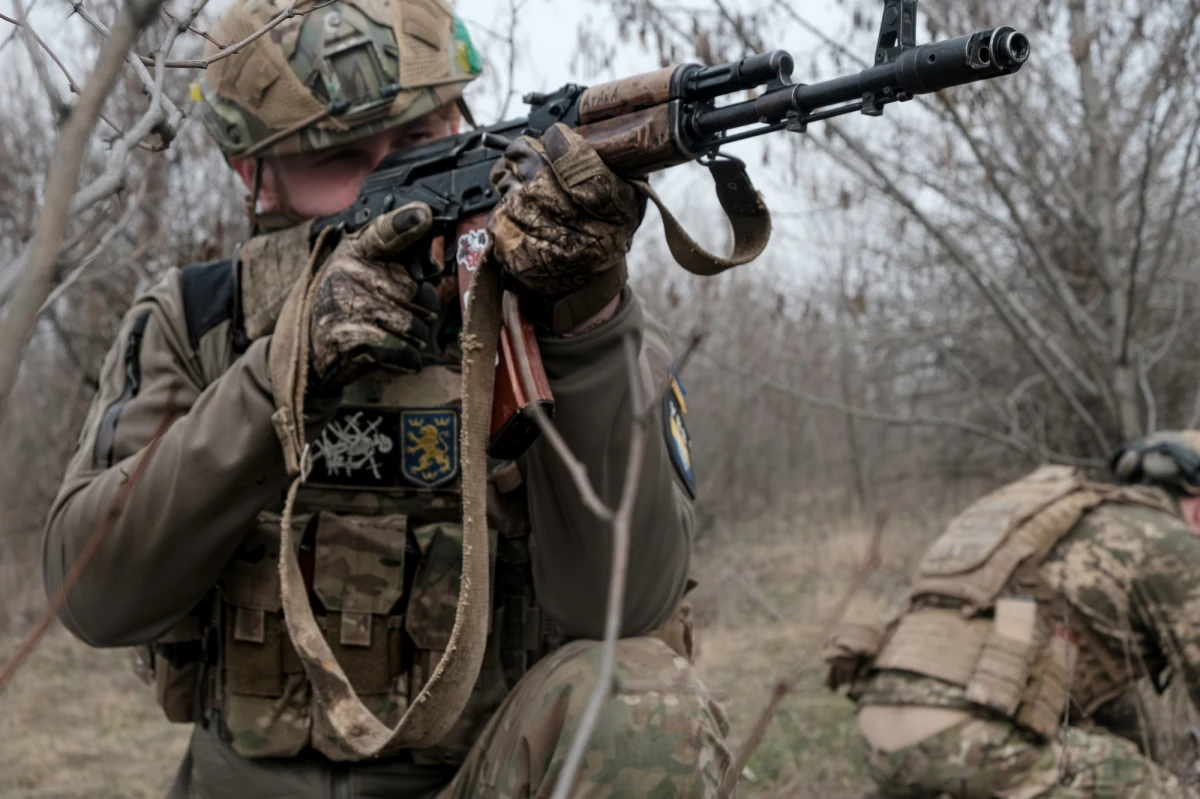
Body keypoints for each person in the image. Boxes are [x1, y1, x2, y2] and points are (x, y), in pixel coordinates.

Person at [41, 0, 728, 796]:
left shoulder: (552, 307)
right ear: (253, 176)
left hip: (479, 778)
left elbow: (627, 603)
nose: (389, 184)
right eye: (339, 159)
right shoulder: (202, 324)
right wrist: (279, 377)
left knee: (644, 701)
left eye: (415, 140)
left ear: (464, 117)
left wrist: (585, 322)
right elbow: (92, 597)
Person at [823, 431, 1200, 798]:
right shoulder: (1169, 545)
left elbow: (1102, 703)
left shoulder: (1064, 525)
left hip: (880, 740)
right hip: (974, 741)